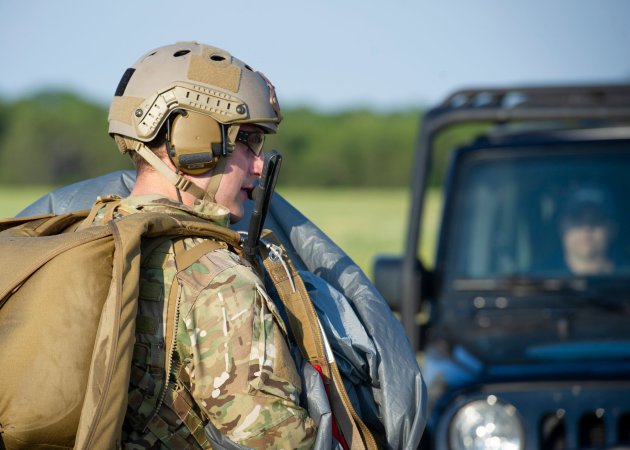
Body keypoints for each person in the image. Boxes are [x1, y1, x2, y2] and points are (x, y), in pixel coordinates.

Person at [92, 41, 316, 449]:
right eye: (247, 140)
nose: (260, 163)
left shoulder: (90, 233)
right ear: (191, 141)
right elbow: (278, 442)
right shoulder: (219, 282)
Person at [559, 187, 618, 275]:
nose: (587, 228)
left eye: (596, 219)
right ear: (562, 226)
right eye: (577, 219)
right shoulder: (536, 280)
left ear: (612, 229)